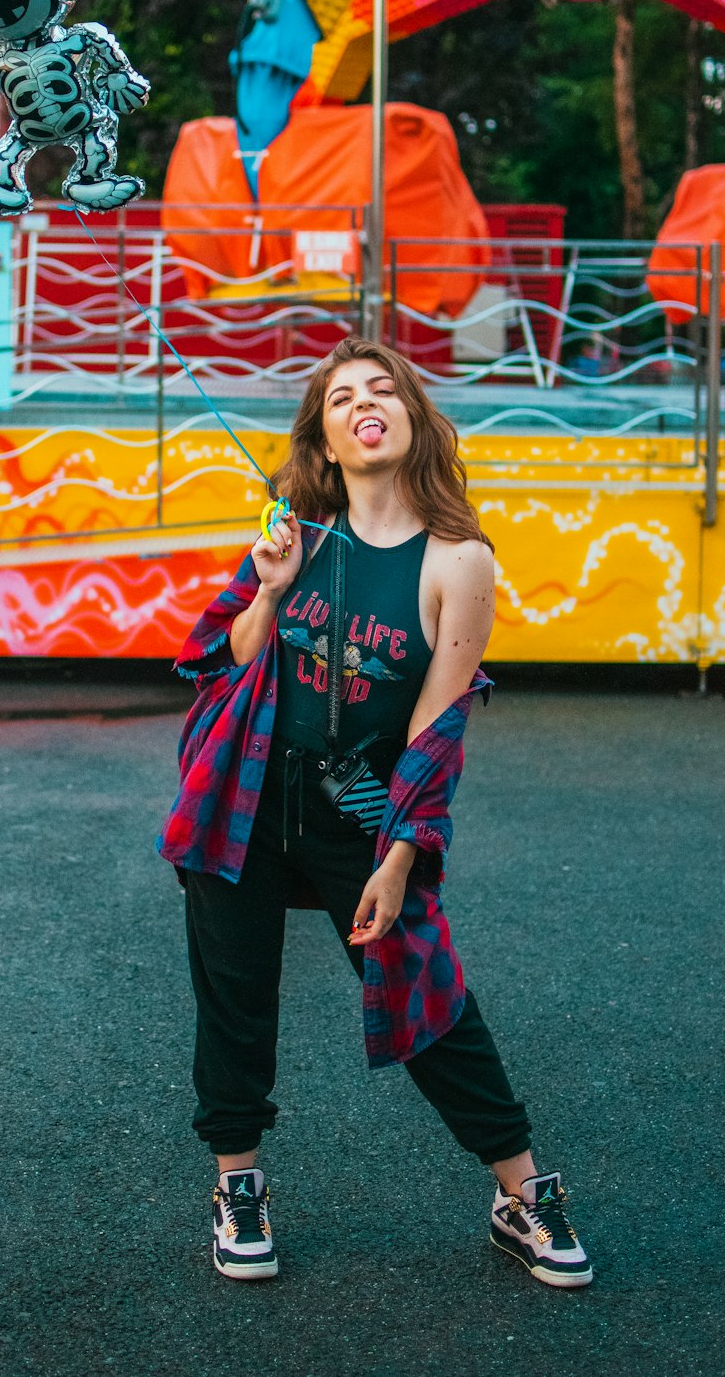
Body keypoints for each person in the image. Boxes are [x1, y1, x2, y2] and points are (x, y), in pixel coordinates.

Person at [157, 337, 591, 1289]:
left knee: (430, 995)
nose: (364, 403)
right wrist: (269, 588)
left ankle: (520, 1192)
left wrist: (400, 857)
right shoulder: (294, 535)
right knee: (234, 1003)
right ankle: (239, 1187)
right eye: (342, 395)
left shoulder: (458, 559)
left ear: (411, 419)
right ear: (324, 435)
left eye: (382, 390)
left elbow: (437, 730)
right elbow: (221, 657)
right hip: (248, 794)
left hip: (360, 806)